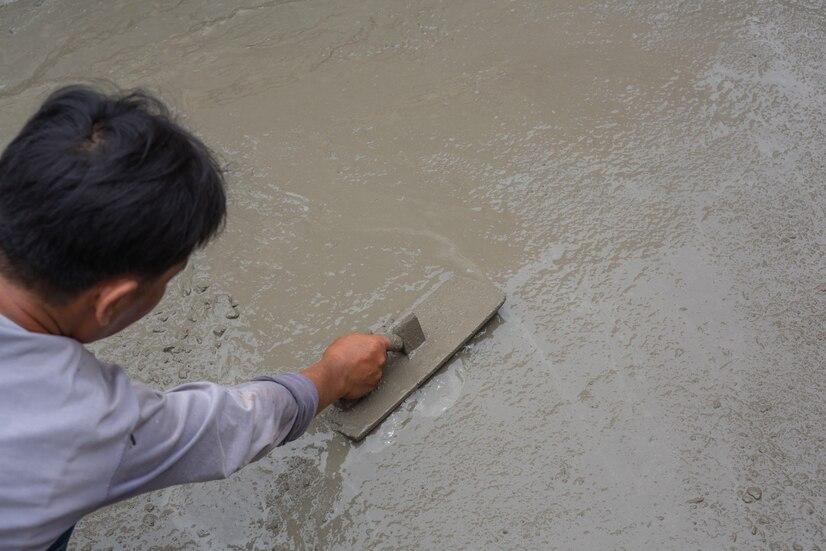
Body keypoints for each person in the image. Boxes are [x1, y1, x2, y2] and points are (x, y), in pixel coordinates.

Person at [0, 86, 391, 550]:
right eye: (168, 278)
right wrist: (335, 373)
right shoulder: (85, 420)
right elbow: (227, 427)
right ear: (113, 302)